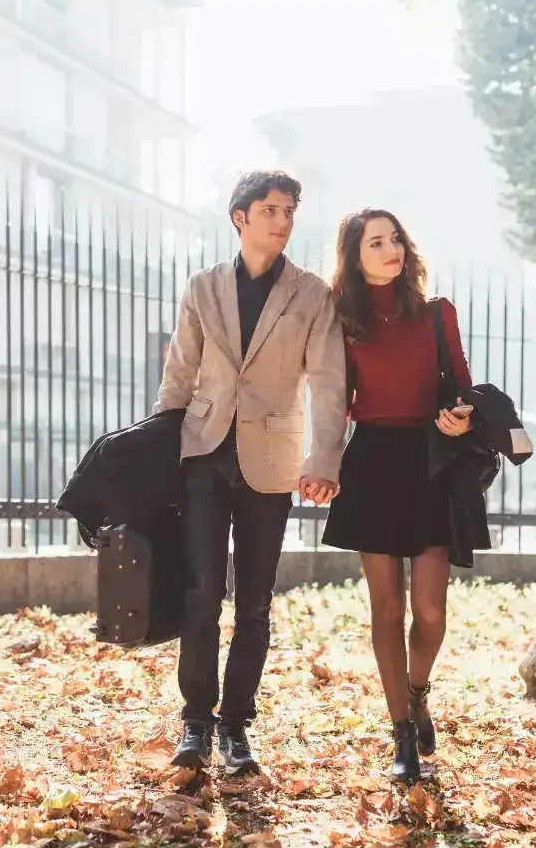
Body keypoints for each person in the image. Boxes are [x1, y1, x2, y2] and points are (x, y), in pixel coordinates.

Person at [154, 170, 347, 776]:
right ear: (240, 217)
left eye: (289, 210)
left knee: (255, 602)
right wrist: (161, 450)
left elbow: (328, 381)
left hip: (272, 461)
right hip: (203, 454)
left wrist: (322, 459)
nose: (283, 221)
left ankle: (237, 726)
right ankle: (195, 721)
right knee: (201, 592)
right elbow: (180, 374)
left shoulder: (312, 294)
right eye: (270, 209)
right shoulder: (203, 287)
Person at [320, 208, 489, 783]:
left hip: (429, 461)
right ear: (355, 255)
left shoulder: (439, 315)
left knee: (432, 611)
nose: (390, 249)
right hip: (371, 463)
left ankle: (418, 693)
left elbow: (463, 387)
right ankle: (400, 734)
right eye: (376, 242)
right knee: (385, 609)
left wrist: (462, 420)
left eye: (395, 239)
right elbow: (337, 402)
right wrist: (320, 463)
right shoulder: (343, 322)